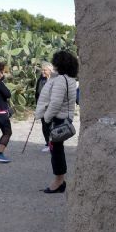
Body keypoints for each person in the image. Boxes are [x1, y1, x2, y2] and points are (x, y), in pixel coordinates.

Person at [35, 50, 78, 194]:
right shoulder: (70, 79)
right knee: (58, 150)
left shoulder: (60, 80)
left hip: (58, 119)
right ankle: (60, 180)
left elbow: (55, 103)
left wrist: (46, 118)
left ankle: (58, 181)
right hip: (66, 118)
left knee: (56, 151)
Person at [35, 61, 53, 153]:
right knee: (45, 126)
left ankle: (53, 143)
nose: (43, 72)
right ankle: (47, 143)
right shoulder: (41, 80)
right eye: (42, 70)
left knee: (52, 126)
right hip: (43, 107)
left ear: (50, 70)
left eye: (44, 70)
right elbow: (37, 93)